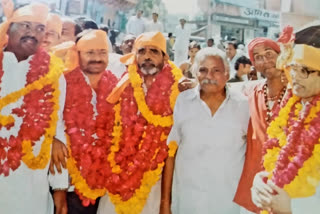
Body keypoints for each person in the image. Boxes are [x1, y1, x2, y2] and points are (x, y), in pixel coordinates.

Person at [96, 31, 183, 214]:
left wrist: (166, 200)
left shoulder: (178, 91)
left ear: (164, 58)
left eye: (154, 51)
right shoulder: (123, 85)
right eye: (142, 51)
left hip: (155, 177)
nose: (147, 57)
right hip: (119, 173)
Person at [161, 47, 250, 214]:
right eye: (203, 70)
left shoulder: (244, 105)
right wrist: (165, 202)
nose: (209, 76)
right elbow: (171, 153)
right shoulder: (183, 101)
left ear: (227, 73)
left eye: (216, 70)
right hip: (187, 201)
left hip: (227, 203)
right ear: (195, 73)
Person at [0, 2, 68, 214]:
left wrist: (59, 188)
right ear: (8, 28)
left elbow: (59, 129)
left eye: (40, 28)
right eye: (25, 26)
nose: (33, 33)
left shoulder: (55, 75)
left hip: (31, 183)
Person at [251, 43, 320, 214]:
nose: (294, 76)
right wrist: (261, 184)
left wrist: (293, 208)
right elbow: (277, 161)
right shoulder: (293, 107)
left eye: (304, 70)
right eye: (292, 68)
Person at [56, 29, 118, 214]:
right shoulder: (62, 82)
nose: (97, 58)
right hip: (66, 184)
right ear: (78, 54)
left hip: (104, 186)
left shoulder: (117, 86)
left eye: (102, 52)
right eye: (90, 53)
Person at [233, 37, 287, 214]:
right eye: (258, 57)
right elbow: (221, 89)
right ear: (254, 64)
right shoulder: (250, 90)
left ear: (282, 55)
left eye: (269, 54)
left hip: (286, 192)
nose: (265, 60)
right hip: (252, 190)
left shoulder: (299, 92)